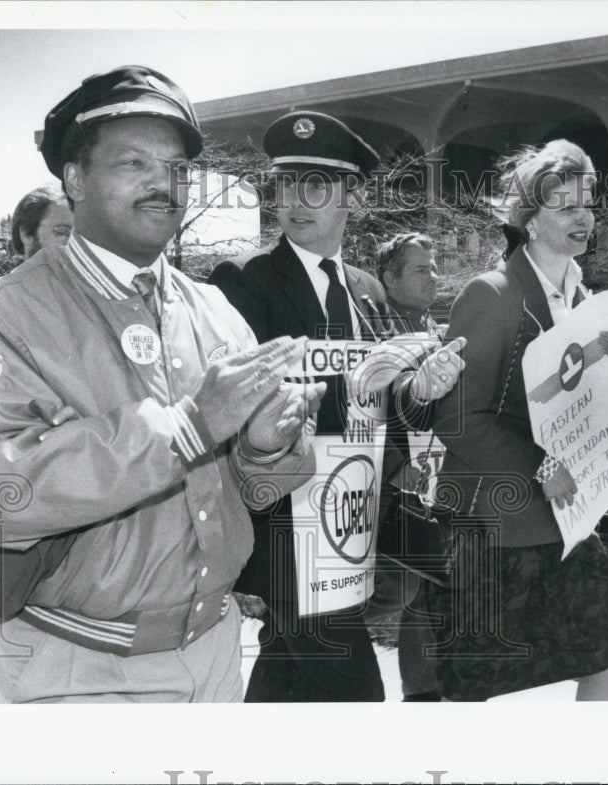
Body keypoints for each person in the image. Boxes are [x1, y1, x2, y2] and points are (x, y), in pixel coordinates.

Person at [0, 65, 324, 703]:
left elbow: (252, 494)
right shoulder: (1, 317)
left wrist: (268, 448)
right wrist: (187, 428)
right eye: (134, 163)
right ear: (76, 180)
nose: (163, 184)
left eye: (177, 168)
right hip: (77, 672)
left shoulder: (215, 311)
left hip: (215, 657)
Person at [208, 111, 463, 702]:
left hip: (355, 518)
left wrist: (420, 392)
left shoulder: (369, 292)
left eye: (317, 186)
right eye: (286, 185)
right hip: (291, 530)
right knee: (354, 691)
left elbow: (384, 410)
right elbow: (242, 407)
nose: (297, 201)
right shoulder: (243, 281)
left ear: (353, 195)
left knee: (287, 677)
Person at [425, 139, 608, 701]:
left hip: (563, 525)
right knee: (475, 686)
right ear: (529, 220)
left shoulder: (582, 297)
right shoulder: (492, 294)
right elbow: (457, 417)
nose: (582, 217)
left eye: (587, 204)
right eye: (564, 206)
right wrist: (539, 466)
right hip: (492, 528)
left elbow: (579, 402)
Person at [363, 233, 443, 701]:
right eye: (420, 269)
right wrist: (395, 468)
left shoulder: (434, 329)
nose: (433, 277)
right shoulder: (373, 331)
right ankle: (306, 637)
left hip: (428, 487)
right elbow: (362, 406)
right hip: (381, 490)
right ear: (389, 279)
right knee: (386, 594)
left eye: (434, 267)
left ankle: (424, 693)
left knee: (428, 590)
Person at [0, 185, 74, 311]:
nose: (74, 243)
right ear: (26, 234)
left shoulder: (84, 303)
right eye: (62, 232)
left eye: (79, 236)